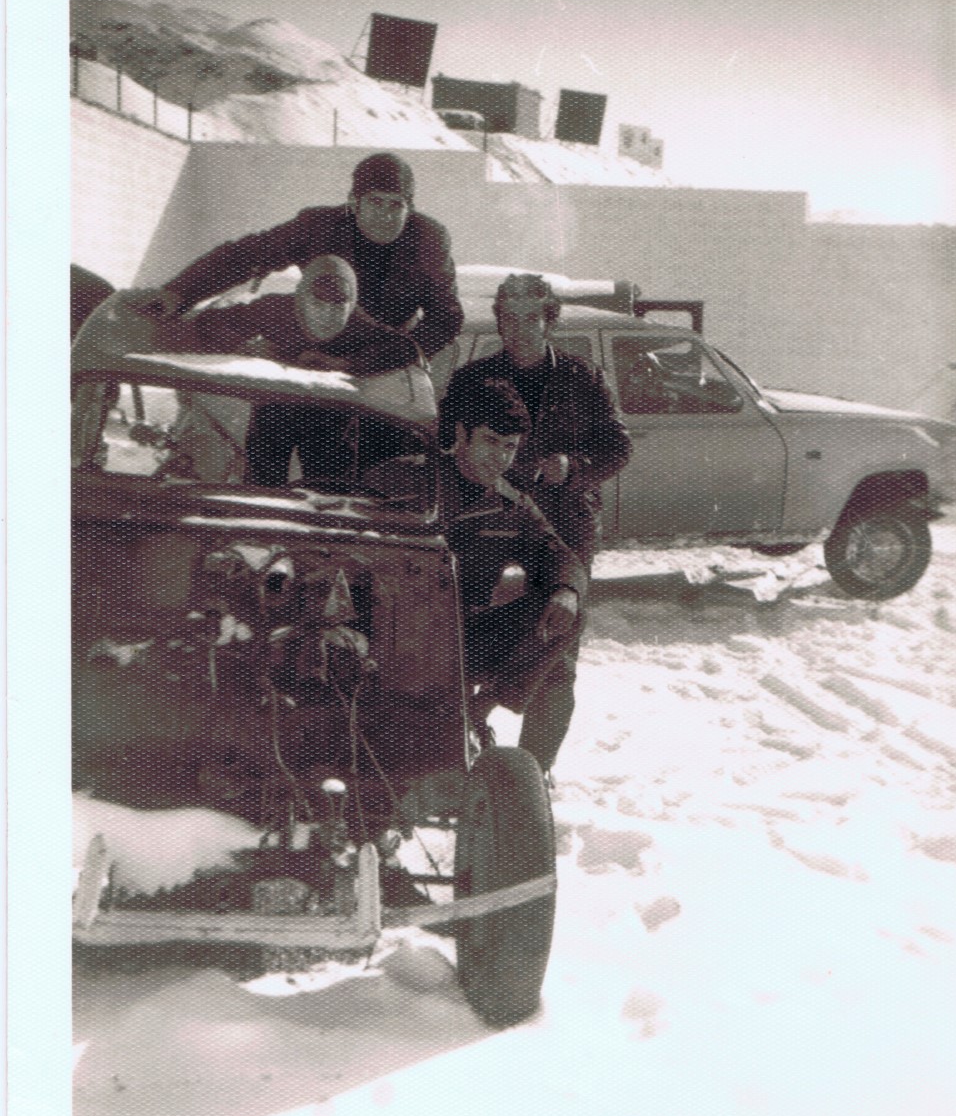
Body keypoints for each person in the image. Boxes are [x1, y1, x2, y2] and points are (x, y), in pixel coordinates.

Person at [440, 272, 632, 777]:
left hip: (563, 519)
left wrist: (574, 467)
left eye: (531, 318)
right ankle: (453, 742)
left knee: (556, 647)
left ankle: (529, 773)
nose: (519, 329)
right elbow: (440, 440)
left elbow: (619, 447)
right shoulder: (471, 379)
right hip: (487, 516)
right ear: (498, 321)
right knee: (451, 629)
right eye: (509, 318)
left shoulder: (581, 376)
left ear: (549, 320)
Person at [371, 376, 586, 741]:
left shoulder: (510, 505)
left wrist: (566, 589)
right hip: (385, 635)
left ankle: (476, 711)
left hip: (461, 640)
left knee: (571, 611)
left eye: (510, 446)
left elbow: (561, 556)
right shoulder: (400, 479)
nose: (500, 457)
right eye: (490, 440)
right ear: (461, 433)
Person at [118, 151, 462, 361]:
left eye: (396, 206)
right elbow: (245, 256)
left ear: (410, 208)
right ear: (354, 202)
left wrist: (386, 358)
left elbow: (445, 318)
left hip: (386, 353)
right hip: (311, 347)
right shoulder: (320, 226)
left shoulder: (428, 239)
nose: (385, 216)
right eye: (375, 202)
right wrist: (179, 292)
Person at [170, 255, 423, 489]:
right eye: (318, 304)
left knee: (330, 493)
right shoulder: (276, 310)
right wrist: (243, 346)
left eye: (337, 308)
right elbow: (209, 322)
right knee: (262, 488)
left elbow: (406, 348)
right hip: (274, 408)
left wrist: (342, 363)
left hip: (330, 416)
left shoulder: (358, 324)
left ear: (351, 304)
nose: (327, 316)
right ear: (302, 298)